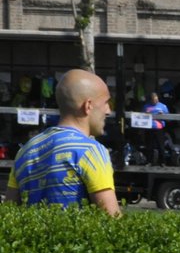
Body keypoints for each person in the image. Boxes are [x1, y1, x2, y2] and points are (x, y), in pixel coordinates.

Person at [4, 68, 120, 217]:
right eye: (106, 102)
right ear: (88, 105)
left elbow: (8, 214)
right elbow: (113, 221)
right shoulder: (91, 150)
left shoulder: (24, 152)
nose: (108, 111)